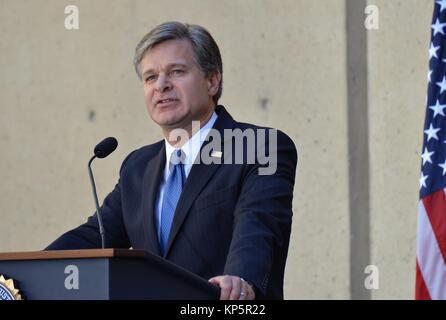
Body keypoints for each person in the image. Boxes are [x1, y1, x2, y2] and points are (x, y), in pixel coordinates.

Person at [46, 21, 298, 300]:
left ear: (212, 81)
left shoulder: (258, 147)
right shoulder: (137, 167)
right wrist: (24, 271)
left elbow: (259, 226)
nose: (161, 86)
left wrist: (241, 279)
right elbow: (96, 236)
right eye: (150, 77)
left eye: (176, 72)